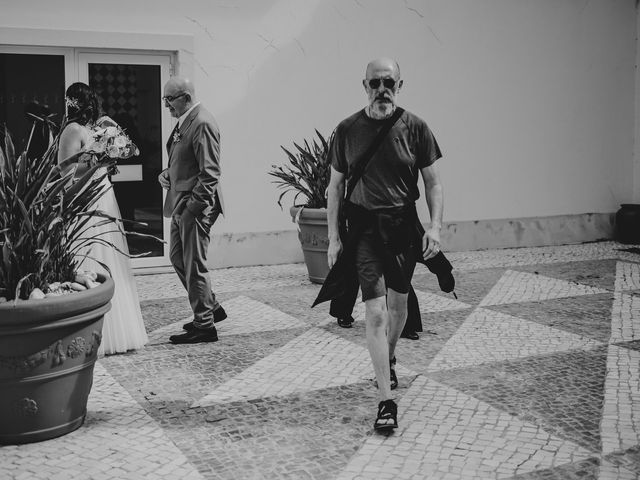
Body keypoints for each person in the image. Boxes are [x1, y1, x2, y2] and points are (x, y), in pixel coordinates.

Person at [323, 58, 445, 431]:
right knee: (375, 313)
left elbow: (433, 183)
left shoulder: (417, 127)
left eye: (388, 82)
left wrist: (435, 227)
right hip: (363, 229)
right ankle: (385, 401)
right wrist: (332, 238)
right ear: (364, 85)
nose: (381, 89)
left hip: (402, 228)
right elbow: (335, 188)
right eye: (374, 83)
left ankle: (389, 358)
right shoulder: (346, 130)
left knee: (399, 306)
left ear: (399, 84)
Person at [57, 82, 148, 355]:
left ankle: (112, 331)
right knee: (89, 251)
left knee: (108, 254)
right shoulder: (74, 132)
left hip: (103, 196)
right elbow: (65, 173)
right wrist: (97, 161)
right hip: (85, 198)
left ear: (73, 103)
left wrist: (107, 158)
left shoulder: (89, 130)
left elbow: (127, 152)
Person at [159, 76, 226, 345]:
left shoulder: (202, 122)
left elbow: (210, 173)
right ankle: (212, 307)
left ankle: (205, 325)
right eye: (164, 100)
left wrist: (192, 209)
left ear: (185, 97)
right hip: (180, 202)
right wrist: (167, 174)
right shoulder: (186, 121)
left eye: (169, 99)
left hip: (195, 207)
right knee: (177, 258)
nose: (166, 105)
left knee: (193, 264)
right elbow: (185, 162)